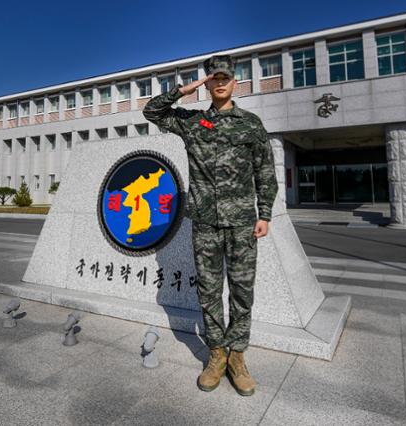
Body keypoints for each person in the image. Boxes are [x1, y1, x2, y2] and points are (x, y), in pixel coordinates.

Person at [143, 54, 279, 396]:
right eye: (213, 78)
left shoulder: (251, 124)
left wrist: (264, 214)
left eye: (225, 78)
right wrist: (183, 90)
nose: (220, 83)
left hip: (243, 225)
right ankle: (217, 354)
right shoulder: (192, 123)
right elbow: (152, 112)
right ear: (208, 82)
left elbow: (265, 172)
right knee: (208, 291)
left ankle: (238, 356)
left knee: (242, 292)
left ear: (235, 81)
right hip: (204, 222)